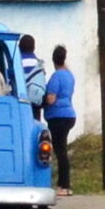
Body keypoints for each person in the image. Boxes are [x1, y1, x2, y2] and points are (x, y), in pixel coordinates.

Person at [42, 46, 78, 195]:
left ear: (53, 60)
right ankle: (64, 184)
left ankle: (64, 185)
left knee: (60, 151)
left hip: (58, 116)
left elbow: (51, 99)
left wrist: (42, 100)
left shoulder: (55, 77)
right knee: (62, 149)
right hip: (69, 114)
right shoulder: (69, 76)